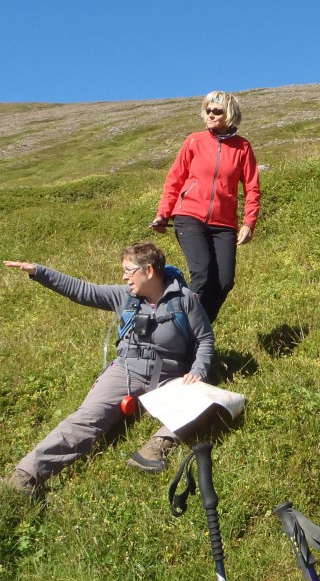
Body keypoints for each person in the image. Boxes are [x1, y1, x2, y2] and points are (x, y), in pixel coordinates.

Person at [1, 242, 214, 497]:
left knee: (202, 399)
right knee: (88, 418)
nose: (124, 276)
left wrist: (199, 370)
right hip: (124, 372)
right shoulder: (123, 296)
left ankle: (155, 447)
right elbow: (82, 291)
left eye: (128, 270)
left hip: (168, 377)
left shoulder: (185, 300)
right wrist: (39, 271)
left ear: (148, 270)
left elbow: (205, 339)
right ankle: (26, 475)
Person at [150, 90, 261, 322]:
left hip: (224, 223)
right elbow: (175, 178)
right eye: (207, 110)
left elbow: (252, 188)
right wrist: (163, 213)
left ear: (229, 114)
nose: (210, 114)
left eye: (217, 111)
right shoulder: (194, 141)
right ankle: (182, 330)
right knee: (202, 273)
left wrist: (249, 223)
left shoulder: (243, 148)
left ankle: (198, 330)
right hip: (189, 215)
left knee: (224, 281)